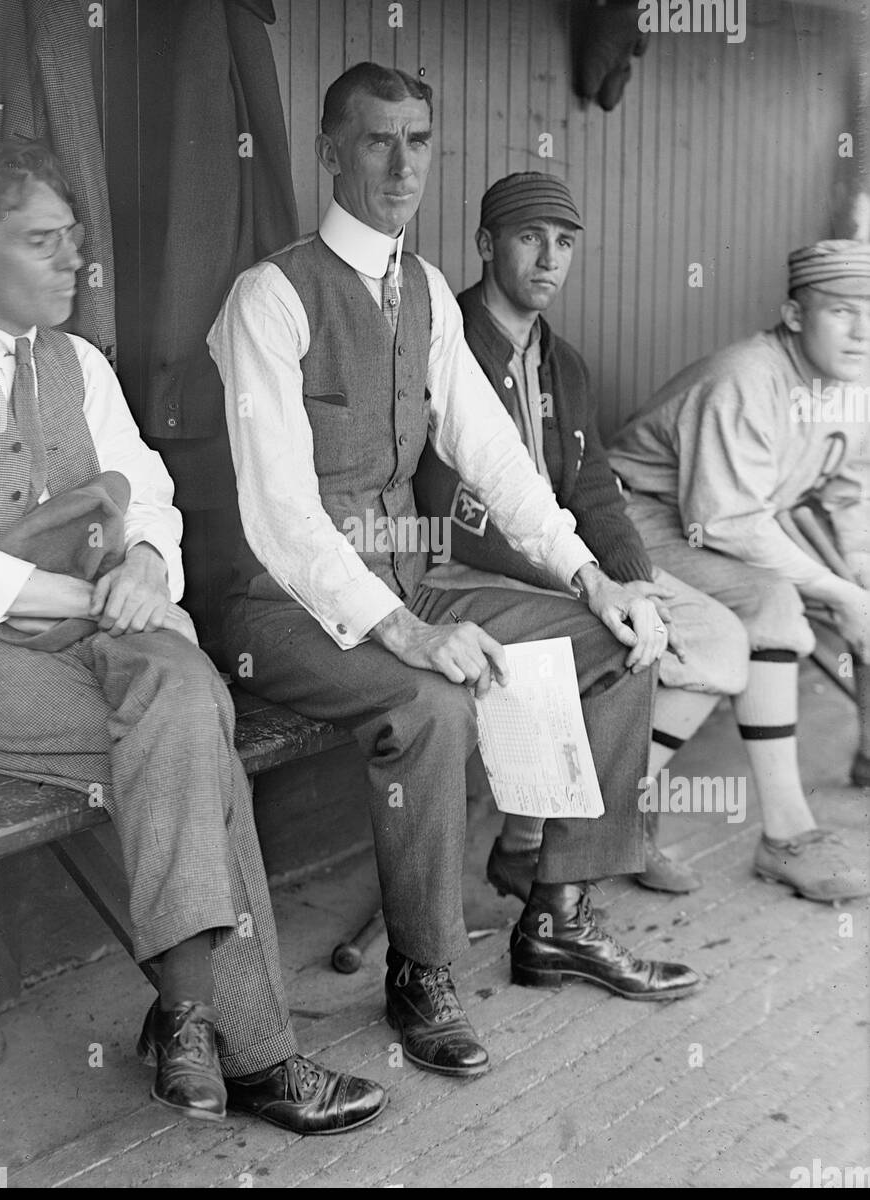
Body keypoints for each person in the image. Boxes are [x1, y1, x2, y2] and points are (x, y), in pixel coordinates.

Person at [209, 62, 700, 1085]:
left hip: (407, 571)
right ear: (330, 151)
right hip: (285, 601)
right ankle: (421, 971)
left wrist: (590, 576)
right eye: (376, 140)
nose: (400, 164)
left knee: (615, 637)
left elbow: (495, 455)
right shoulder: (271, 295)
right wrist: (403, 629)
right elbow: (280, 515)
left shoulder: (427, 291)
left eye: (418, 140)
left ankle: (555, 913)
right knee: (429, 701)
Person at [0, 140, 386, 1134]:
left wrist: (142, 562)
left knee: (182, 704)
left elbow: (152, 491)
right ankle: (245, 1046)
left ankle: (188, 1021)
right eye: (40, 242)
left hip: (98, 619)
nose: (69, 264)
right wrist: (105, 601)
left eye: (74, 241)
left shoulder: (79, 363)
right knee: (191, 736)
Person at [414, 171, 751, 897]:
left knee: (716, 641)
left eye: (563, 242)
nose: (548, 258)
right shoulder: (447, 343)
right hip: (465, 577)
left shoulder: (563, 363)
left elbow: (593, 485)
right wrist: (586, 586)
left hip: (574, 569)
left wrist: (631, 578)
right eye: (529, 237)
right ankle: (559, 858)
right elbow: (451, 505)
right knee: (606, 641)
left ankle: (553, 831)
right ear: (483, 243)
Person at [609, 239, 870, 902]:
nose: (861, 330)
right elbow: (722, 522)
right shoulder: (745, 377)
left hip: (711, 523)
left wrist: (860, 583)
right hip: (628, 522)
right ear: (791, 313)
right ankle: (589, 823)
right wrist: (837, 593)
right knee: (768, 606)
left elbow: (846, 494)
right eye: (841, 311)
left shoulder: (852, 384)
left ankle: (778, 834)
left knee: (775, 604)